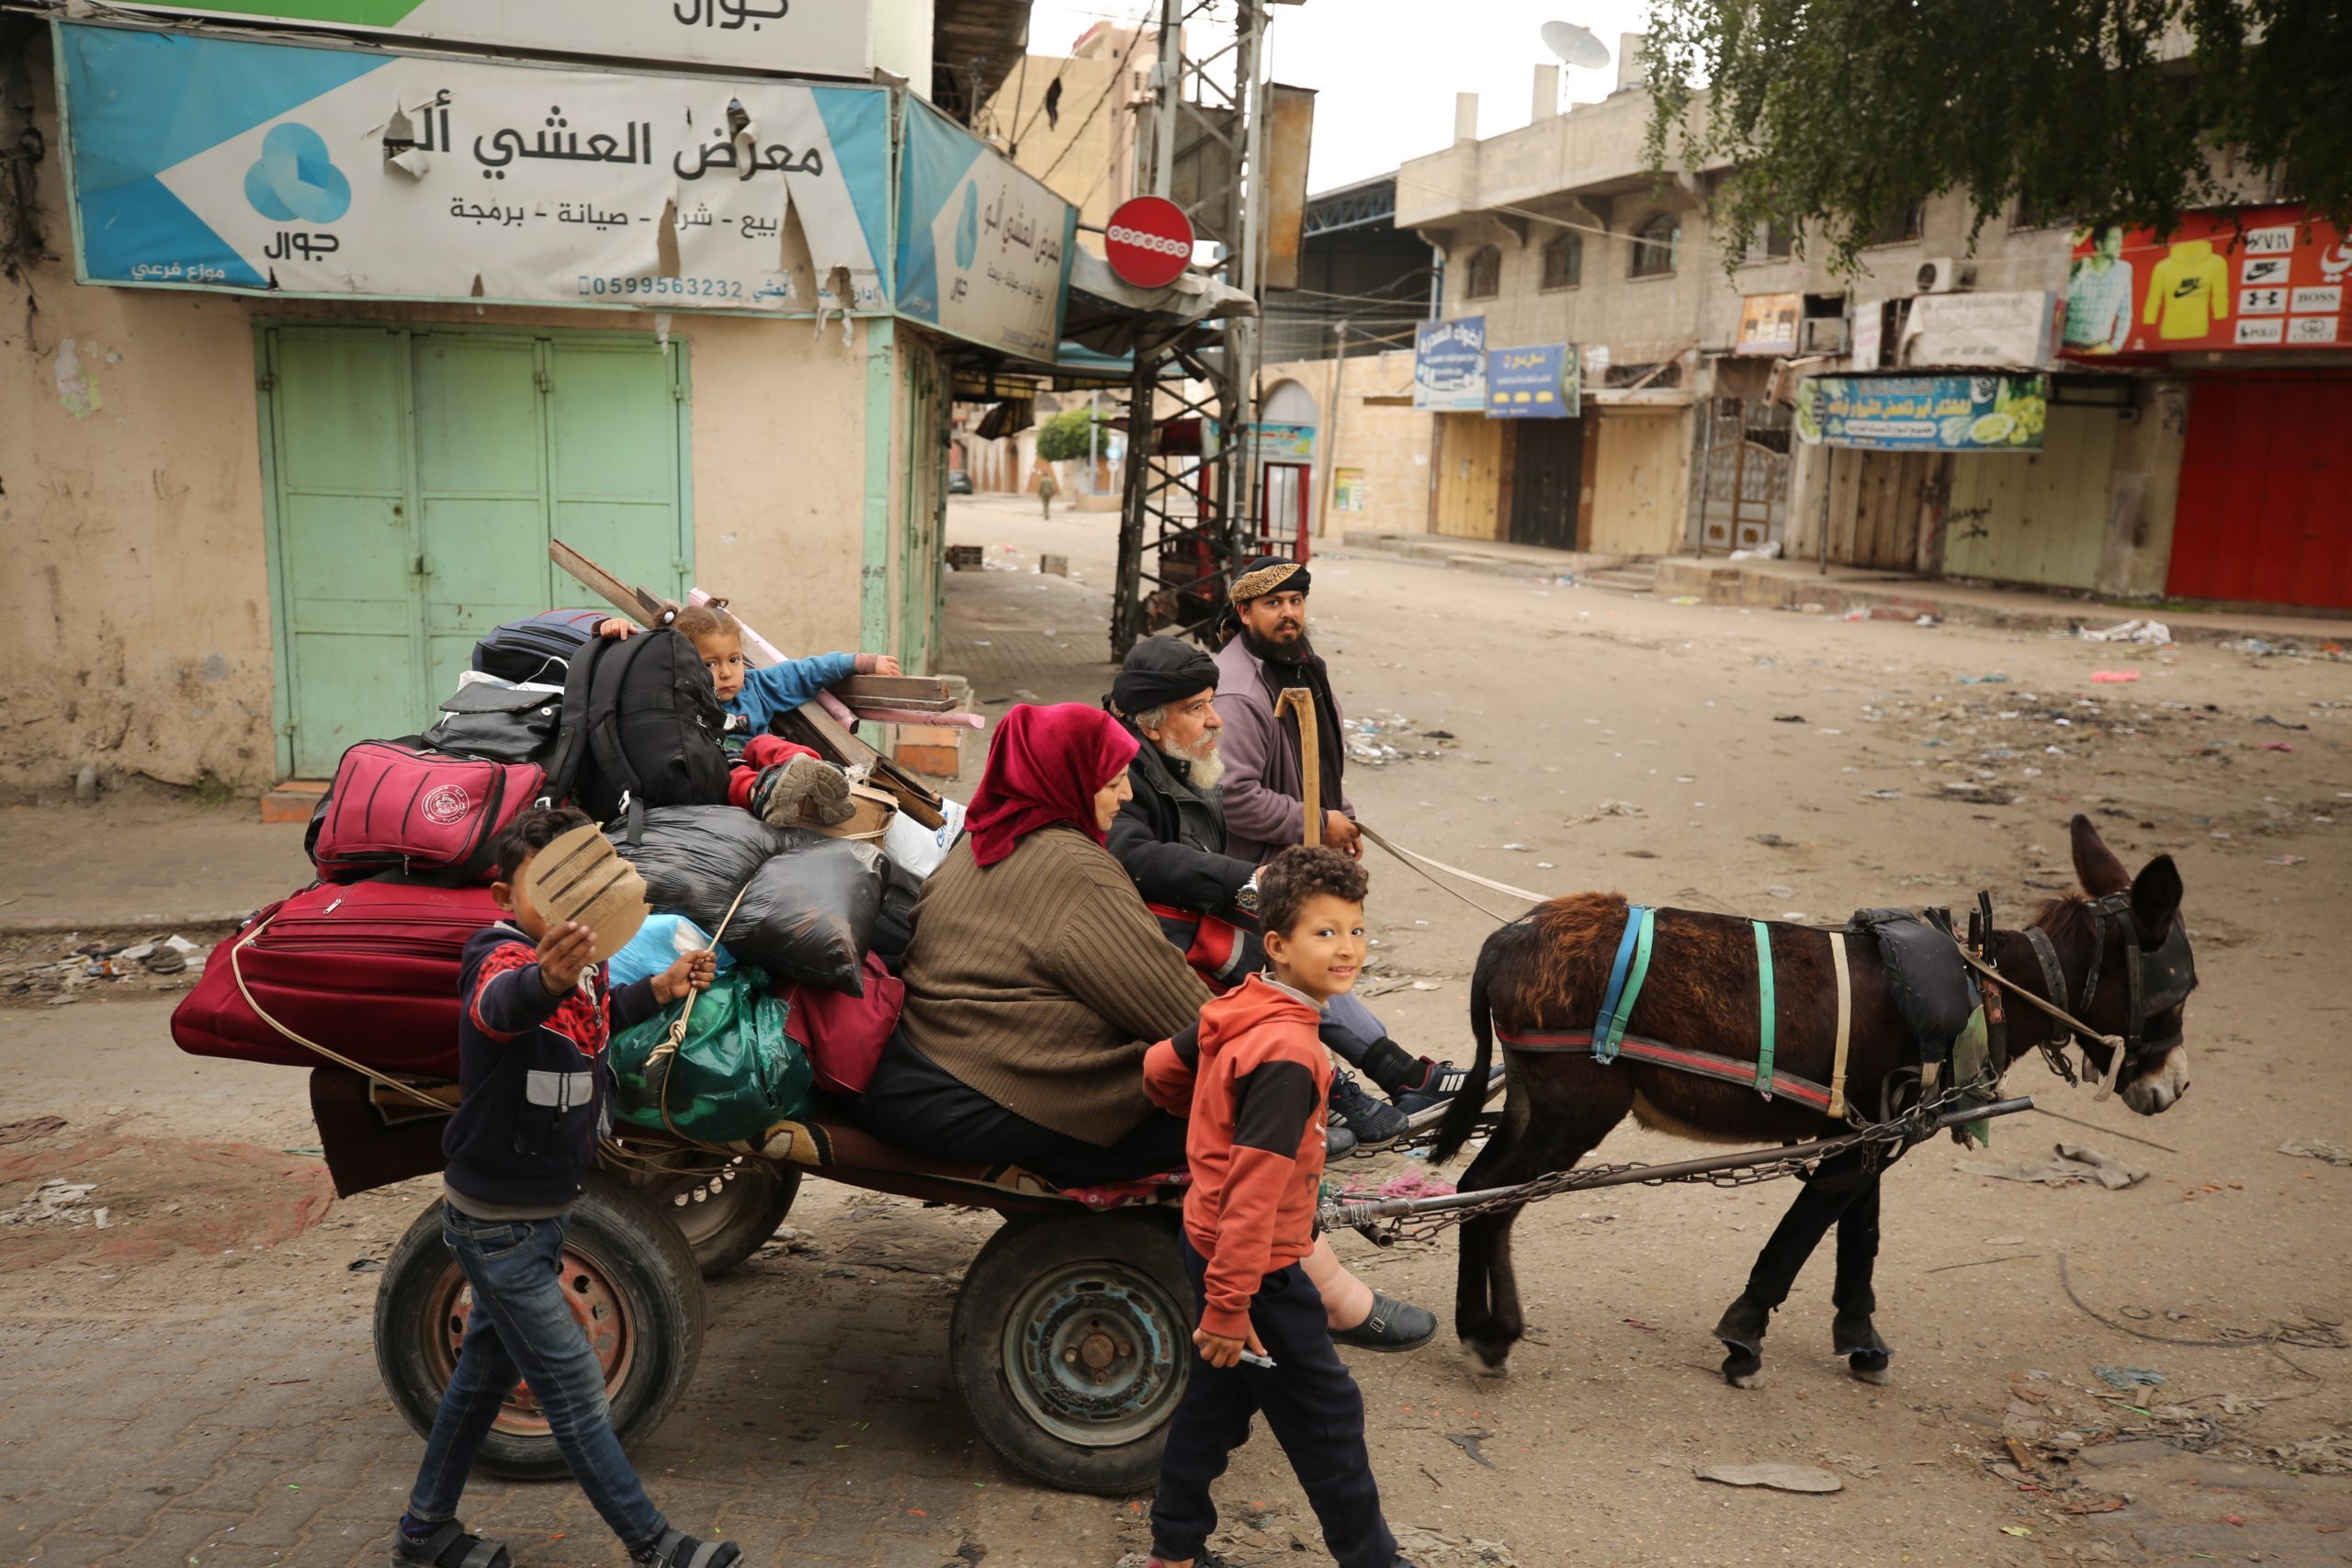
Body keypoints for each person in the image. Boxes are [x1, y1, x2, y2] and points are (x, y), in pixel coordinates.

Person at [858, 703, 1422, 1344]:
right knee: (1237, 1117)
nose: (1126, 793)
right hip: (983, 1088)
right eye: (1112, 780)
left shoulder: (987, 838)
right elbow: (1183, 1012)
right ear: (1066, 777)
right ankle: (1320, 1296)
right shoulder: (1070, 869)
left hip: (936, 1069)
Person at [394, 806, 737, 1568]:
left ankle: (424, 1533)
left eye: (587, 873)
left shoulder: (592, 965)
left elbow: (599, 1019)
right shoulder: (499, 954)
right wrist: (541, 979)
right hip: (497, 1224)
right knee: (577, 1388)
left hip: (543, 1215)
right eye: (548, 882)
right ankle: (655, 1547)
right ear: (503, 898)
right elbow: (501, 1005)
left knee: (481, 1378)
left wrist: (664, 984)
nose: (572, 898)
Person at [1140, 847, 1409, 1568]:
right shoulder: (1290, 1056)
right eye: (1325, 933)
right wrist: (1231, 1306)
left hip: (1211, 1241)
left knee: (1218, 1402)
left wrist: (1190, 1108)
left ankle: (1174, 1548)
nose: (1347, 947)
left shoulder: (1241, 1002)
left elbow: (1162, 1065)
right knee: (1329, 1415)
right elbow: (1253, 1196)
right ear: (1279, 944)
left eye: (1355, 929)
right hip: (1256, 1262)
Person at [1107, 637, 1476, 1149]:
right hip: (1145, 930)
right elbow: (1133, 855)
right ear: (1150, 720)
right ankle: (1337, 1091)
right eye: (1196, 708)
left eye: (1211, 703)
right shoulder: (1118, 767)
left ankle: (1396, 1078)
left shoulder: (1173, 754)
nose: (1215, 720)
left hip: (1191, 910)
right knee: (1268, 956)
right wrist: (1243, 879)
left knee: (1299, 938)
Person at [1208, 562, 1497, 1123]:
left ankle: (1403, 1077)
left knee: (1316, 962)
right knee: (1305, 967)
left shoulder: (1299, 666)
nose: (1288, 613)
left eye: (1295, 601)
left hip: (1298, 853)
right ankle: (1383, 1085)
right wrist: (1318, 822)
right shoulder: (1241, 688)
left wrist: (1343, 822)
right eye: (1273, 604)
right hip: (1251, 874)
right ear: (1244, 613)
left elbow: (1319, 760)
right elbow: (1233, 796)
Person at [669, 604, 900, 758]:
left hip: (768, 768)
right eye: (710, 664)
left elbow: (803, 672)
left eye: (733, 659)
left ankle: (812, 776)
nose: (726, 673)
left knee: (768, 745)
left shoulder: (754, 688)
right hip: (724, 774)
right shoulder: (681, 699)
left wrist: (860, 662)